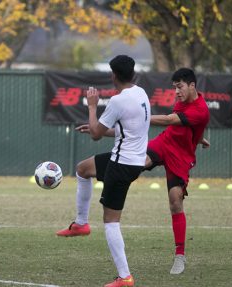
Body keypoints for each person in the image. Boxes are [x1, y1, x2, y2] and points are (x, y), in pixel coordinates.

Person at [57, 68, 210, 276]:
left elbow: (170, 120)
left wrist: (138, 115)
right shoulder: (184, 101)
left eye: (180, 87)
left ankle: (180, 255)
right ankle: (108, 187)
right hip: (163, 143)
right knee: (137, 161)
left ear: (192, 86)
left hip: (181, 156)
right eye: (174, 87)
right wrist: (199, 138)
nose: (176, 92)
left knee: (175, 201)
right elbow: (185, 124)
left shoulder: (201, 109)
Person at [81, 55, 150, 287]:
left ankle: (125, 277)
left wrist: (92, 107)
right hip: (131, 160)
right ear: (132, 73)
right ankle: (80, 223)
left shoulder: (118, 101)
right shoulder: (140, 93)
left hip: (121, 164)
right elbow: (125, 130)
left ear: (114, 75)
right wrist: (94, 126)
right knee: (83, 169)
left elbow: (95, 134)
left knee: (111, 221)